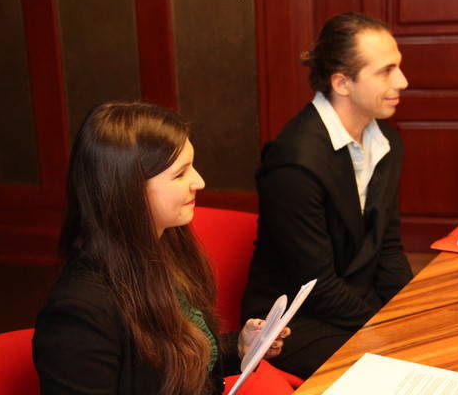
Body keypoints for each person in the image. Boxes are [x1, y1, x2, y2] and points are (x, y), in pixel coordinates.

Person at [33, 101, 291, 395]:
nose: (199, 182)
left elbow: (174, 358)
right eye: (180, 174)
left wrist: (240, 347)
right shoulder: (80, 311)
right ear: (128, 189)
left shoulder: (166, 247)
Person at [241, 12, 414, 378]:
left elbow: (388, 247)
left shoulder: (386, 141)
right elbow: (315, 285)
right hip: (294, 323)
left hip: (354, 302)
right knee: (397, 371)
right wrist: (388, 328)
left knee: (434, 341)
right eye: (386, 71)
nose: (402, 81)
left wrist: (410, 313)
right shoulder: (294, 161)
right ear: (342, 83)